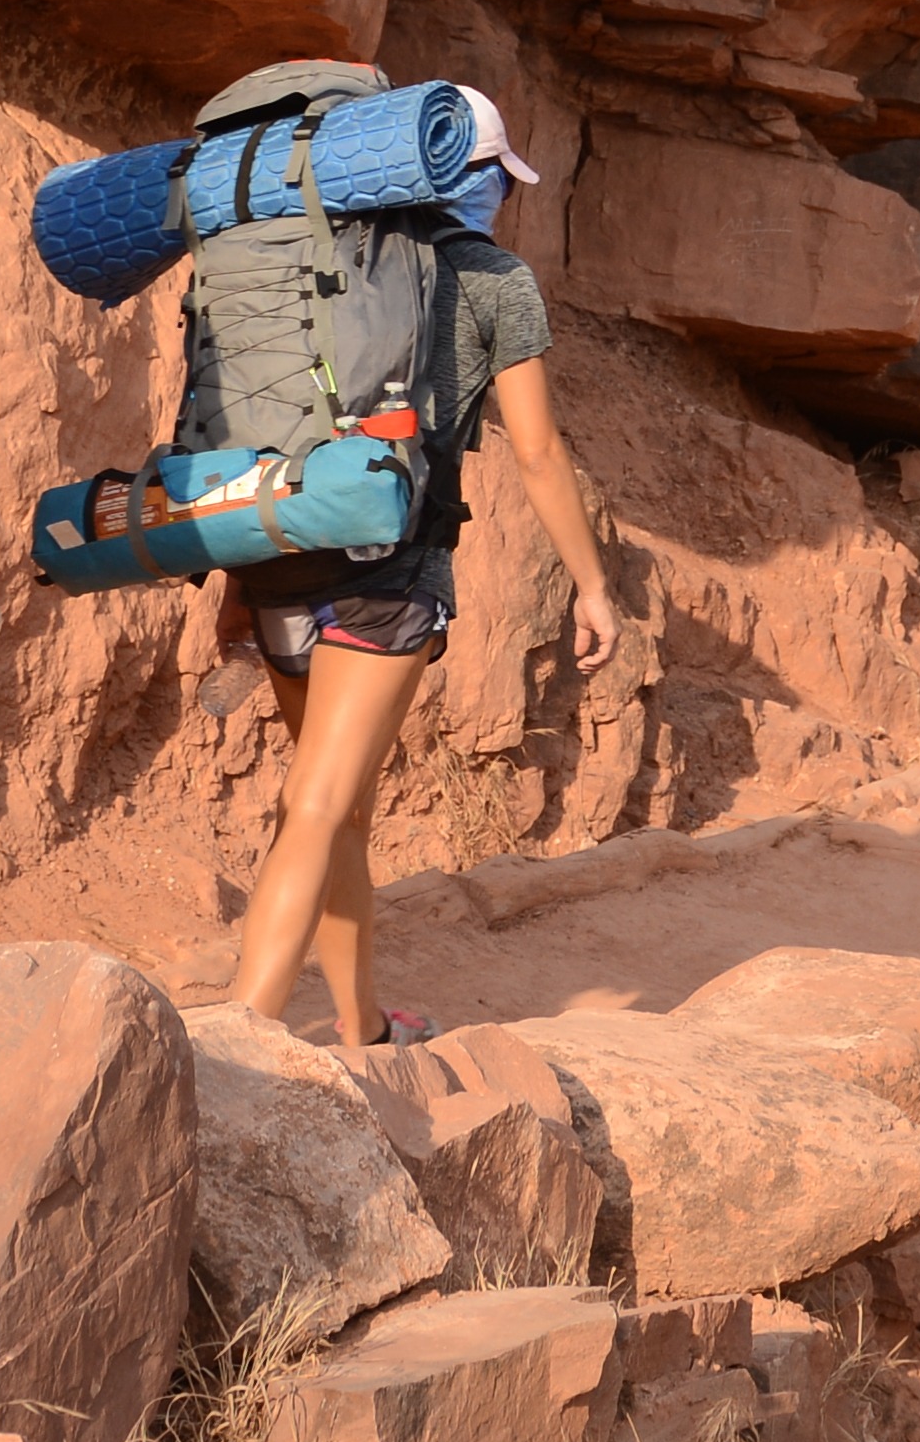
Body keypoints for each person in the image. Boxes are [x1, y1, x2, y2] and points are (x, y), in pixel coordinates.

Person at [203, 96, 623, 1052]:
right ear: (470, 181)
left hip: (277, 558)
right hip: (388, 574)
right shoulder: (493, 279)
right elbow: (541, 450)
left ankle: (360, 1024)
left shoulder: (325, 262)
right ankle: (236, 1038)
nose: (499, 200)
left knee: (336, 800)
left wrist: (237, 578)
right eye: (496, 181)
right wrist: (593, 586)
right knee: (316, 804)